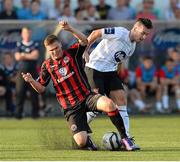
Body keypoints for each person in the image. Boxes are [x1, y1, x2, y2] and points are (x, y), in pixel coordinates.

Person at [21, 21, 138, 151]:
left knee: (109, 104)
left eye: (56, 48)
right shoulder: (46, 66)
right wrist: (31, 80)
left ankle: (125, 138)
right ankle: (88, 142)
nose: (54, 52)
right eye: (51, 50)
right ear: (47, 51)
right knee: (81, 142)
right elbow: (41, 88)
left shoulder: (72, 53)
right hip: (71, 108)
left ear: (60, 45)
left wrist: (70, 29)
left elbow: (84, 41)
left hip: (87, 97)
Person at [84, 18, 153, 149]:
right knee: (96, 107)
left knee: (122, 99)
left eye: (146, 35)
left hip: (110, 71)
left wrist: (120, 77)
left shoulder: (132, 46)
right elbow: (95, 33)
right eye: (143, 33)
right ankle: (79, 130)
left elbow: (119, 60)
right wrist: (85, 50)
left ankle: (126, 139)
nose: (144, 37)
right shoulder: (120, 32)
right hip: (94, 68)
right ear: (135, 27)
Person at [14, 27, 40, 119]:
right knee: (20, 93)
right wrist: (29, 55)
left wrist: (23, 55)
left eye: (28, 33)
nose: (27, 35)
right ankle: (18, 115)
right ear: (22, 34)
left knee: (34, 93)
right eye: (25, 33)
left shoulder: (35, 44)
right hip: (21, 73)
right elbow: (17, 57)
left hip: (32, 73)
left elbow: (35, 56)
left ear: (30, 33)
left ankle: (35, 115)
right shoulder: (19, 44)